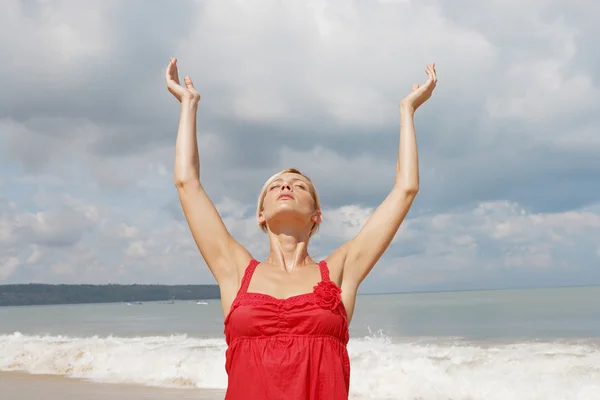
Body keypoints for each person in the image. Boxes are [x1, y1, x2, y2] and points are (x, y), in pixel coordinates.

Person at [165, 57, 437, 399]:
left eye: (299, 185)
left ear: (316, 215)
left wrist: (407, 111)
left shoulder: (338, 271)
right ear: (260, 214)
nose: (286, 187)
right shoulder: (235, 271)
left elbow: (405, 189)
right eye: (276, 185)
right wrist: (188, 105)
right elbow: (187, 183)